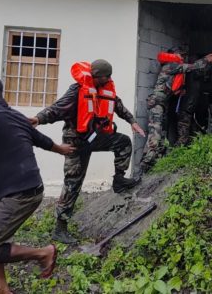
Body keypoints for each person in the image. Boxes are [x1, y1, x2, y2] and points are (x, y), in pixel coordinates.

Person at [0, 72, 74, 294]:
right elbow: (40, 140)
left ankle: (43, 253)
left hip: (19, 195)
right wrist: (60, 149)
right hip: (22, 190)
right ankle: (0, 287)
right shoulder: (16, 116)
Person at [29, 59, 146, 244]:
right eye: (106, 76)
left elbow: (118, 105)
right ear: (97, 76)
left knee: (123, 142)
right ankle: (60, 228)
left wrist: (132, 121)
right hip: (75, 142)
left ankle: (119, 180)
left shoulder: (105, 88)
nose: (109, 79)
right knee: (73, 182)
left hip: (94, 137)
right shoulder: (77, 90)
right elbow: (57, 109)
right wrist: (39, 119)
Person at [140, 48, 212, 173]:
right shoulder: (171, 65)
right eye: (181, 55)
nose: (183, 57)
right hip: (157, 104)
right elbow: (192, 67)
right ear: (173, 55)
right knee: (155, 136)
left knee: (162, 136)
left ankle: (154, 166)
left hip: (162, 105)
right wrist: (207, 59)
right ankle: (144, 167)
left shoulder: (173, 67)